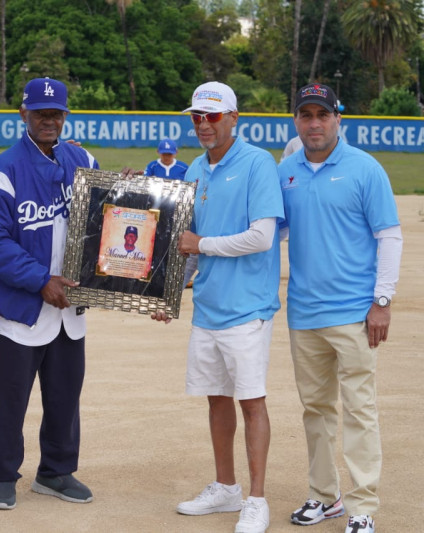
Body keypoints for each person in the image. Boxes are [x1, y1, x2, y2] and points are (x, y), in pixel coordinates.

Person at [152, 81, 284, 533]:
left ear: (234, 118)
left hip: (248, 307)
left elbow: (261, 236)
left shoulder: (257, 163)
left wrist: (202, 245)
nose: (203, 125)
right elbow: (183, 248)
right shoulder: (193, 170)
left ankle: (257, 498)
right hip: (208, 306)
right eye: (197, 117)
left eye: (212, 116)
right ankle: (226, 487)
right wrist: (166, 294)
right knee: (217, 399)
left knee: (251, 402)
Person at [0, 77, 100, 511]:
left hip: (70, 305)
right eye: (40, 112)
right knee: (11, 397)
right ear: (23, 114)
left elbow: (102, 216)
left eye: (56, 113)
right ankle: (3, 474)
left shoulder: (81, 159)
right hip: (23, 306)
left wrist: (123, 193)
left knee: (65, 394)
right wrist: (39, 280)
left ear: (65, 116)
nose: (49, 119)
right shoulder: (2, 170)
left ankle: (56, 471)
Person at [279, 84, 402, 533]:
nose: (314, 123)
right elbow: (272, 232)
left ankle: (363, 505)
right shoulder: (285, 170)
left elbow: (389, 235)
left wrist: (382, 301)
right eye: (306, 115)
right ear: (296, 120)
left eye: (322, 115)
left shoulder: (365, 169)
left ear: (337, 120)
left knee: (359, 411)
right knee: (315, 410)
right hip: (304, 313)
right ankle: (323, 496)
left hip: (354, 313)